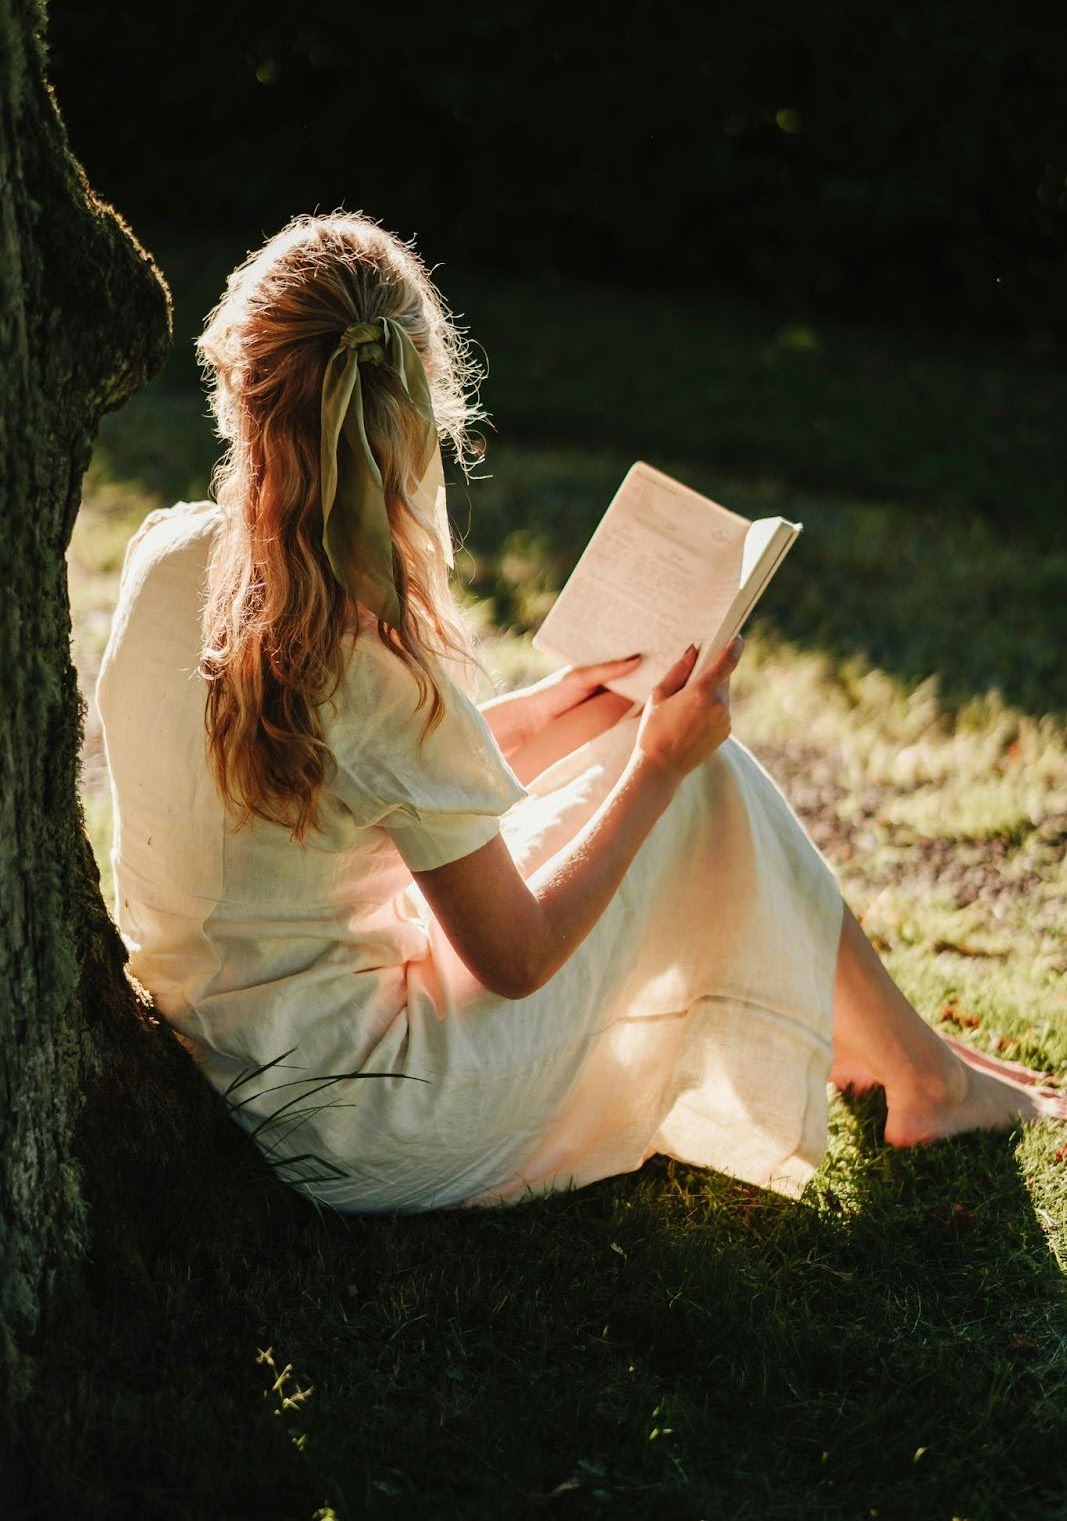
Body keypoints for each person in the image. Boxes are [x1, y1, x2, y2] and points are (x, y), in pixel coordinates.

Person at [96, 212, 1065, 1214]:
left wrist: (580, 703)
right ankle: (920, 1075)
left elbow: (397, 775)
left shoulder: (168, 558)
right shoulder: (368, 660)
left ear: (235, 382)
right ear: (416, 413)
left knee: (646, 750)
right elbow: (514, 958)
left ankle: (904, 1059)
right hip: (354, 1120)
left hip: (214, 1055)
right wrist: (653, 767)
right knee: (696, 783)